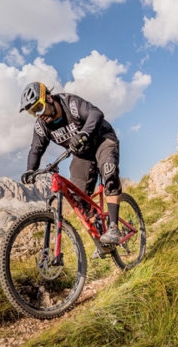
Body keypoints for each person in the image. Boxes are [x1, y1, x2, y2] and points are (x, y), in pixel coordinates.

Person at [18, 81, 121, 245]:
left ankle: (114, 227)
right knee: (78, 198)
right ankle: (101, 233)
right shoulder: (41, 126)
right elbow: (36, 149)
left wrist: (84, 133)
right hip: (83, 154)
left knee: (109, 173)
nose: (38, 114)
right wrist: (31, 170)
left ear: (49, 98)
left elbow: (96, 114)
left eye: (39, 107)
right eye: (33, 112)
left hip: (102, 140)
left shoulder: (71, 103)